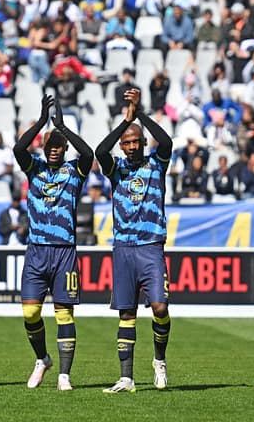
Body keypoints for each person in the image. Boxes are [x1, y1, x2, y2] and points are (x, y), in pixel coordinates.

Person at [94, 88, 173, 393]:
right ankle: (126, 377)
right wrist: (124, 122)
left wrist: (139, 114)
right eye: (125, 143)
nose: (129, 146)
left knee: (160, 308)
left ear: (142, 143)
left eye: (134, 141)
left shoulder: (157, 164)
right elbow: (101, 151)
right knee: (127, 314)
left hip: (151, 246)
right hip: (124, 248)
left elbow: (165, 142)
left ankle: (159, 360)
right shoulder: (116, 170)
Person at [13, 95, 94, 390]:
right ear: (44, 148)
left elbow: (89, 154)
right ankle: (42, 359)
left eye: (59, 146)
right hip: (36, 251)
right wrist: (41, 123)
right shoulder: (33, 168)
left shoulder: (75, 172)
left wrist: (62, 126)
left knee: (64, 313)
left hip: (64, 252)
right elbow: (18, 148)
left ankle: (64, 375)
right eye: (50, 146)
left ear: (64, 149)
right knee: (30, 312)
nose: (54, 150)